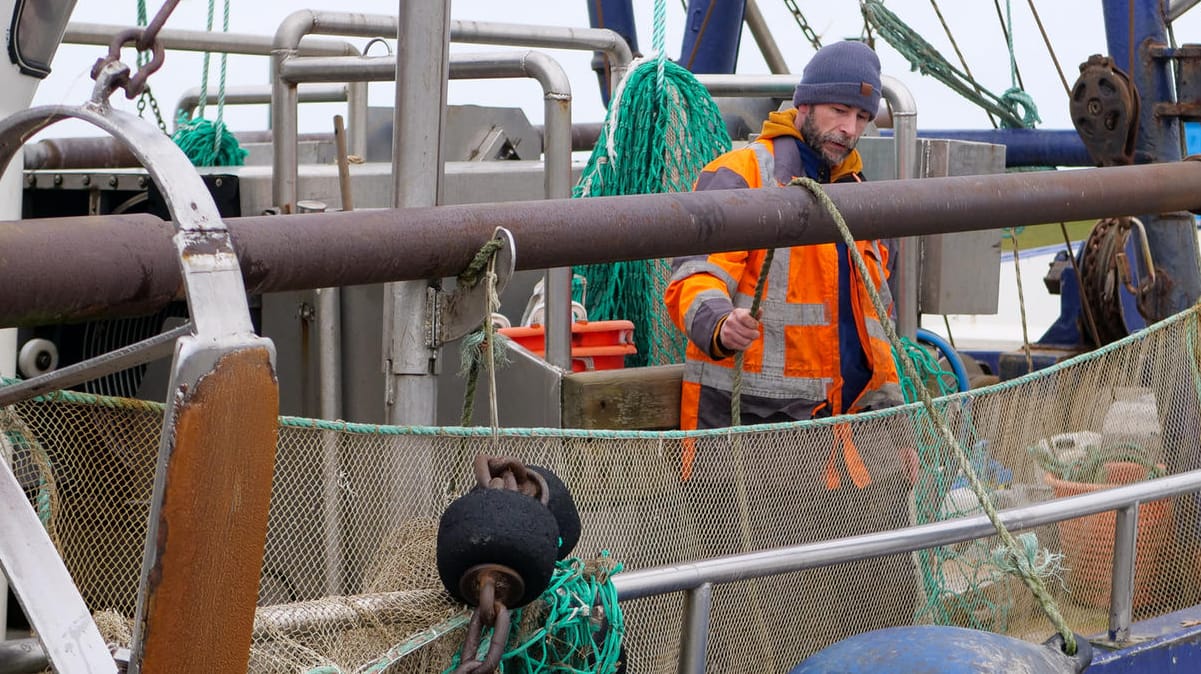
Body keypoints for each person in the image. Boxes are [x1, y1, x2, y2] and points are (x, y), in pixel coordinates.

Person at [662, 41, 917, 669]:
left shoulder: (858, 192)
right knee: (751, 625)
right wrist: (718, 323)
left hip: (855, 449)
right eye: (837, 111)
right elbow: (692, 271)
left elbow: (873, 335)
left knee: (866, 613)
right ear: (802, 104)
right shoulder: (742, 173)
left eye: (861, 118)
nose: (849, 128)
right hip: (755, 451)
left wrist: (900, 428)